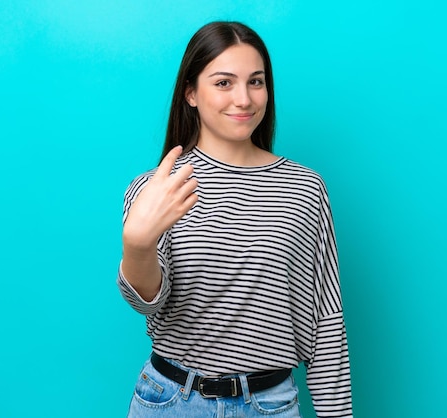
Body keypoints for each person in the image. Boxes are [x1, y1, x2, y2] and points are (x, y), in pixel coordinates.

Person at [117, 21, 353, 418]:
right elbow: (149, 302)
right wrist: (137, 244)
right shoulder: (158, 187)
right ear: (190, 93)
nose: (243, 99)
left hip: (270, 404)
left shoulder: (305, 189)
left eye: (256, 82)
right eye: (224, 83)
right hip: (170, 401)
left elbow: (325, 320)